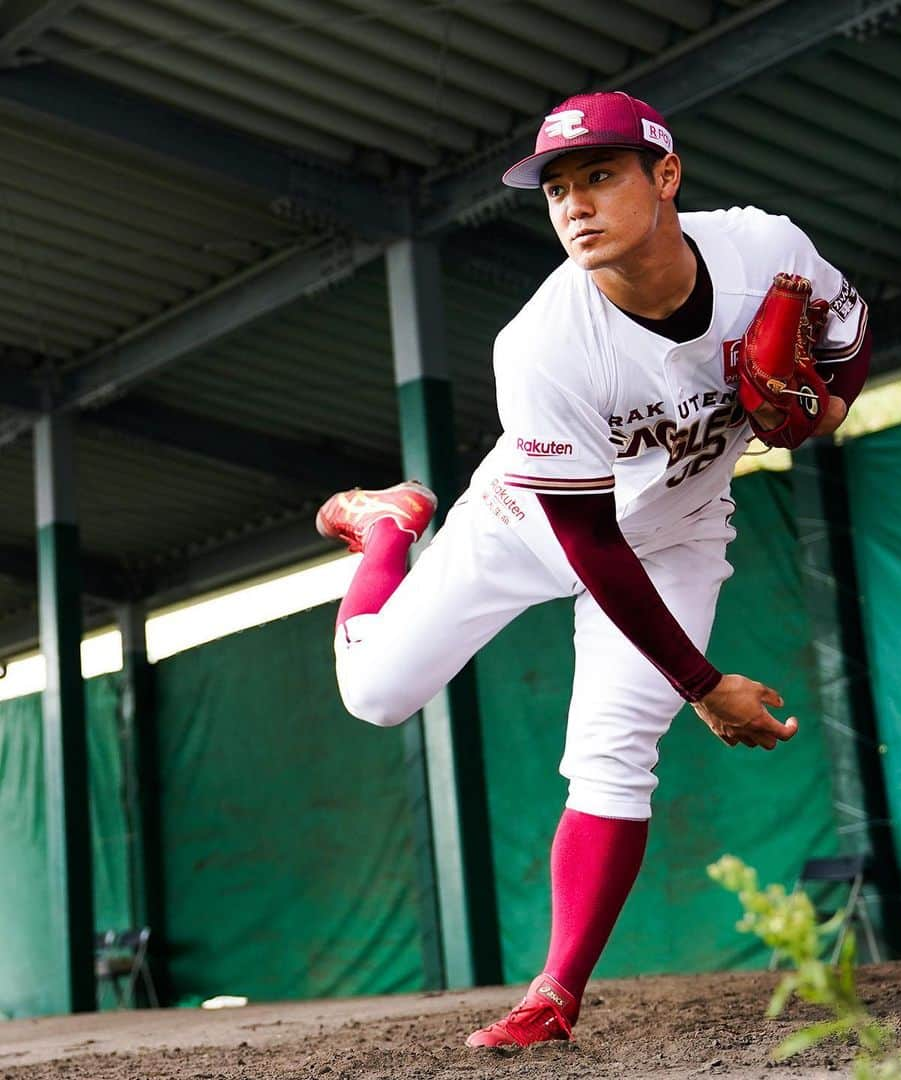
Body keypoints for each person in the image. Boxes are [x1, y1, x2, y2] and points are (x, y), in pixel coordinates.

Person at [316, 91, 870, 1050]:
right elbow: (592, 545)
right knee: (374, 695)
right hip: (526, 523)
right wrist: (702, 686)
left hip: (682, 530)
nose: (574, 203)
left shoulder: (764, 250)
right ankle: (389, 531)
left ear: (666, 176)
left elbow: (849, 337)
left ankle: (553, 996)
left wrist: (826, 411)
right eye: (557, 188)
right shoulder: (542, 344)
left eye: (600, 176)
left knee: (613, 756)